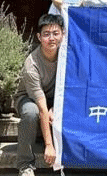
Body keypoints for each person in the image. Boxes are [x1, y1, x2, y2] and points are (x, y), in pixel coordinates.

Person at [14, 13, 65, 176]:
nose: (51, 38)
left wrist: (56, 107)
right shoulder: (31, 64)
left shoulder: (66, 56)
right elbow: (42, 108)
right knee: (31, 112)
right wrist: (49, 145)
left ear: (63, 34)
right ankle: (25, 164)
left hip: (54, 98)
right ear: (39, 37)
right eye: (46, 34)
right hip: (29, 99)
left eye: (55, 33)